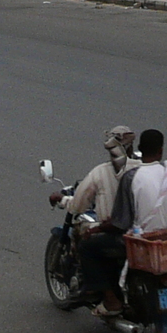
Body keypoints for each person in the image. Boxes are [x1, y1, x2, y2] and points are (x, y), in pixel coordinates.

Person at [52, 126, 136, 315]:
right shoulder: (143, 168)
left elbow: (78, 206)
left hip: (117, 234)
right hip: (143, 232)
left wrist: (63, 200)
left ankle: (104, 296)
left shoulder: (100, 173)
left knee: (85, 243)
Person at [109, 128, 167, 239]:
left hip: (146, 241)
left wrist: (98, 227)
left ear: (140, 149)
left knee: (89, 246)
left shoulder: (131, 178)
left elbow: (122, 223)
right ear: (161, 151)